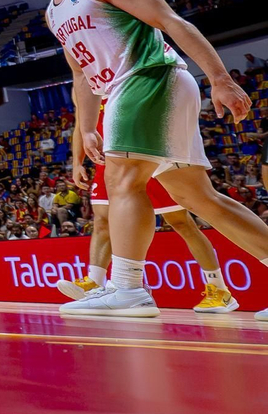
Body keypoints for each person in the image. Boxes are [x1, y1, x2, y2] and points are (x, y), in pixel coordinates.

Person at [24, 0, 268, 320]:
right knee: (199, 199)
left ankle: (127, 287)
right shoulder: (54, 11)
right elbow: (81, 75)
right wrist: (87, 127)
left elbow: (172, 21)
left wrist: (220, 79)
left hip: (148, 76)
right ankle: (126, 287)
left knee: (123, 181)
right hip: (129, 91)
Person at [57, 117, 242, 313]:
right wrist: (77, 163)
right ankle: (95, 282)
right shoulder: (88, 89)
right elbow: (81, 123)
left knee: (181, 223)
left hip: (145, 154)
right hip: (109, 159)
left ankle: (219, 289)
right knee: (102, 221)